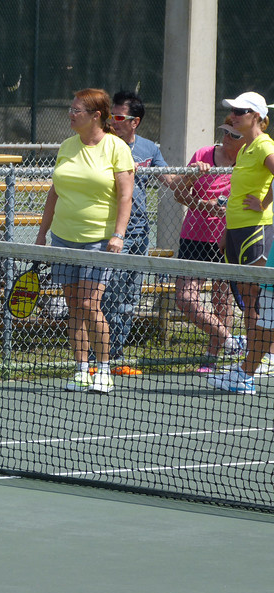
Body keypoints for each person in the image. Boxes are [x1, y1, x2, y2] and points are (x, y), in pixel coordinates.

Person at [34, 88, 134, 393]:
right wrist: (42, 233)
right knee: (74, 305)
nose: (70, 114)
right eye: (71, 108)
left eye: (76, 110)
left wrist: (118, 235)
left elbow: (125, 196)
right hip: (63, 238)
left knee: (91, 304)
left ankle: (103, 370)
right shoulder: (67, 146)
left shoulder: (117, 148)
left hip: (99, 240)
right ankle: (81, 370)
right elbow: (55, 192)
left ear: (96, 116)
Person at [100, 91, 175, 373]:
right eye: (111, 116)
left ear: (135, 122)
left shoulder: (149, 148)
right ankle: (101, 357)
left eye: (119, 117)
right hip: (113, 232)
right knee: (110, 294)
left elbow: (170, 180)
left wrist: (196, 173)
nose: (113, 121)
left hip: (141, 232)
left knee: (130, 297)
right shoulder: (103, 144)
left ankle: (116, 355)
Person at [208, 92, 274, 393]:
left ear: (256, 116)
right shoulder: (246, 147)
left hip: (255, 230)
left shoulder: (263, 145)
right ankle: (250, 363)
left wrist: (264, 203)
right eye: (232, 110)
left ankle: (258, 363)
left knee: (255, 298)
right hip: (236, 230)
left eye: (240, 111)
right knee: (246, 298)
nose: (233, 116)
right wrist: (226, 231)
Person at [174, 120, 246, 373]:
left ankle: (211, 358)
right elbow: (179, 193)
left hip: (229, 239)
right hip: (194, 237)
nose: (226, 137)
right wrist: (194, 179)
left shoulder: (249, 162)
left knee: (222, 299)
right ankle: (230, 341)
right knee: (185, 298)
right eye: (224, 132)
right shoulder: (204, 154)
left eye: (233, 135)